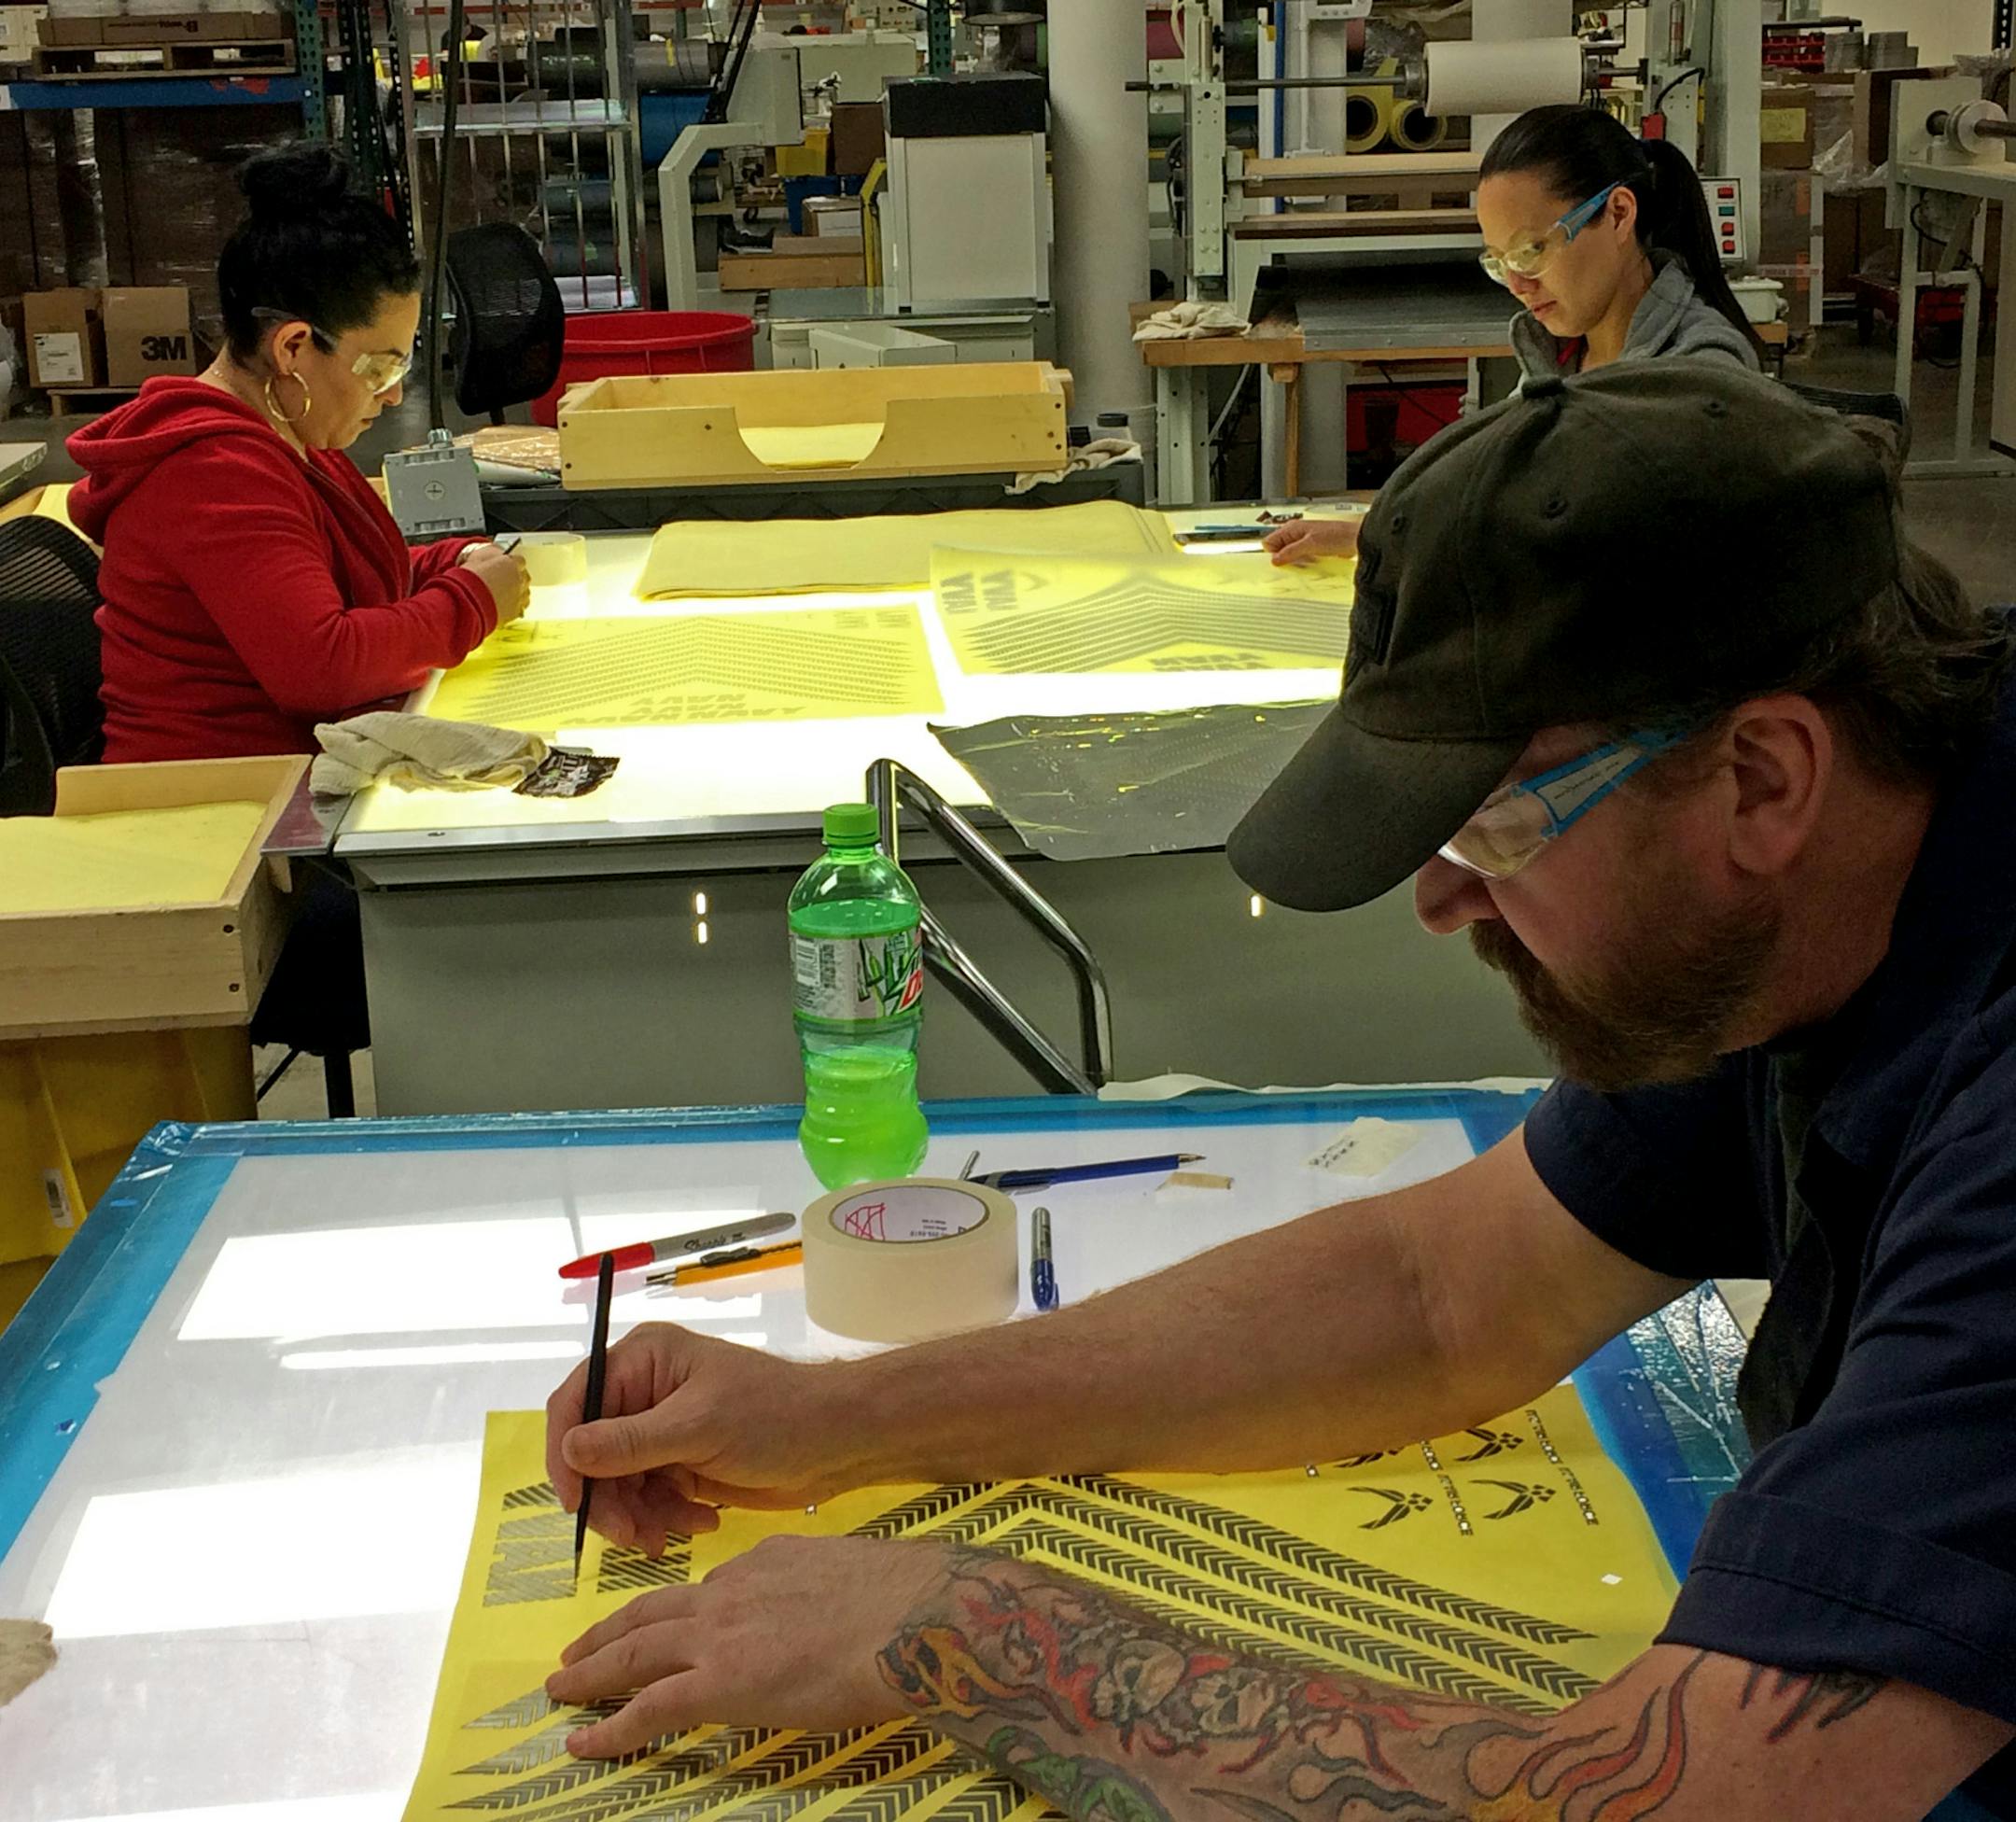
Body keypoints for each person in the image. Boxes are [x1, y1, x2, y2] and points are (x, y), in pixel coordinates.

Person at [540, 367, 2016, 1821]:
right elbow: (1442, 1289)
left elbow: (1705, 1799)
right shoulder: (1798, 921)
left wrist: (968, 1635)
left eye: (1497, 823)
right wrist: (833, 1422)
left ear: (1763, 778)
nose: (1441, 899)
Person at [68, 142, 528, 764]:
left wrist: (458, 560)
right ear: (292, 348)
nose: (393, 398)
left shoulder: (291, 433)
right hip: (222, 807)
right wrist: (472, 602)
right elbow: (323, 665)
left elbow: (346, 583)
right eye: (380, 368)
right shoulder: (212, 473)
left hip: (284, 773)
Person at [1266, 105, 1764, 568]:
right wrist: (1376, 535)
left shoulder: (1703, 375)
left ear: (1618, 214)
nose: (1519, 285)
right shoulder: (1558, 361)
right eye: (1500, 262)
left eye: (1531, 250)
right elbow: (1492, 492)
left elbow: (1624, 544)